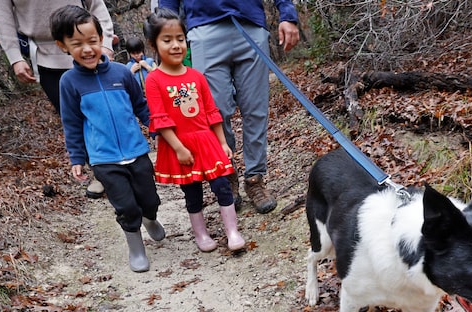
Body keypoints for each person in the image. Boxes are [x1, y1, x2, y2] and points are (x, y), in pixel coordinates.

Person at [158, 0, 300, 214]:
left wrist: (287, 14)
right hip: (203, 27)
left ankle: (255, 178)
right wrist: (166, 34)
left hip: (250, 22)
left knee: (255, 108)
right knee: (215, 110)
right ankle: (227, 172)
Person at [52, 5, 165, 272]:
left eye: (93, 41)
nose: (88, 48)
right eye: (77, 43)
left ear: (102, 39)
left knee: (149, 198)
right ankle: (136, 247)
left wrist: (156, 127)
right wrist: (77, 158)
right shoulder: (69, 82)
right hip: (104, 158)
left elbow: (140, 105)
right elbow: (72, 122)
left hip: (136, 150)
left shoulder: (121, 73)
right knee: (126, 205)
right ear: (63, 46)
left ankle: (150, 218)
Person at [0, 0, 115, 199]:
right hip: (45, 56)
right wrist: (15, 57)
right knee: (75, 119)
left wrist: (105, 42)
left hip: (87, 47)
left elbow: (96, 4)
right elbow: (2, 15)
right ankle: (101, 173)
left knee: (103, 111)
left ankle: (122, 163)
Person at [144, 8, 245, 253]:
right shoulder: (154, 80)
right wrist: (178, 148)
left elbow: (212, 112)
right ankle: (201, 234)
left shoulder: (197, 76)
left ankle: (232, 231)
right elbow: (160, 119)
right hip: (179, 144)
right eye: (167, 40)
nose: (176, 45)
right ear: (153, 44)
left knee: (222, 184)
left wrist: (222, 143)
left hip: (207, 141)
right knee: (192, 192)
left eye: (180, 39)